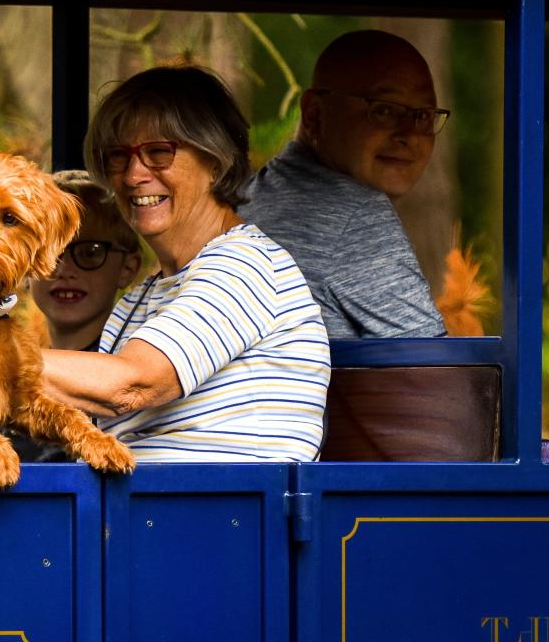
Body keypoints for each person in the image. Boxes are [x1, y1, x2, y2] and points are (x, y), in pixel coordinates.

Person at [41, 66, 329, 462]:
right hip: (150, 514)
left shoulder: (245, 265)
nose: (133, 175)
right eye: (118, 157)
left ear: (216, 160)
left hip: (223, 517)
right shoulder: (145, 294)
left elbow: (131, 384)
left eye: (159, 153)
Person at [239, 30, 449, 338]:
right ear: (313, 115)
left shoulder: (252, 195)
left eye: (423, 116)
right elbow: (435, 374)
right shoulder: (357, 216)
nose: (410, 134)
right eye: (384, 110)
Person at [30, 170, 142, 353]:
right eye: (48, 251)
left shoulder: (132, 362)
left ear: (128, 268)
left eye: (90, 253)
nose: (64, 269)